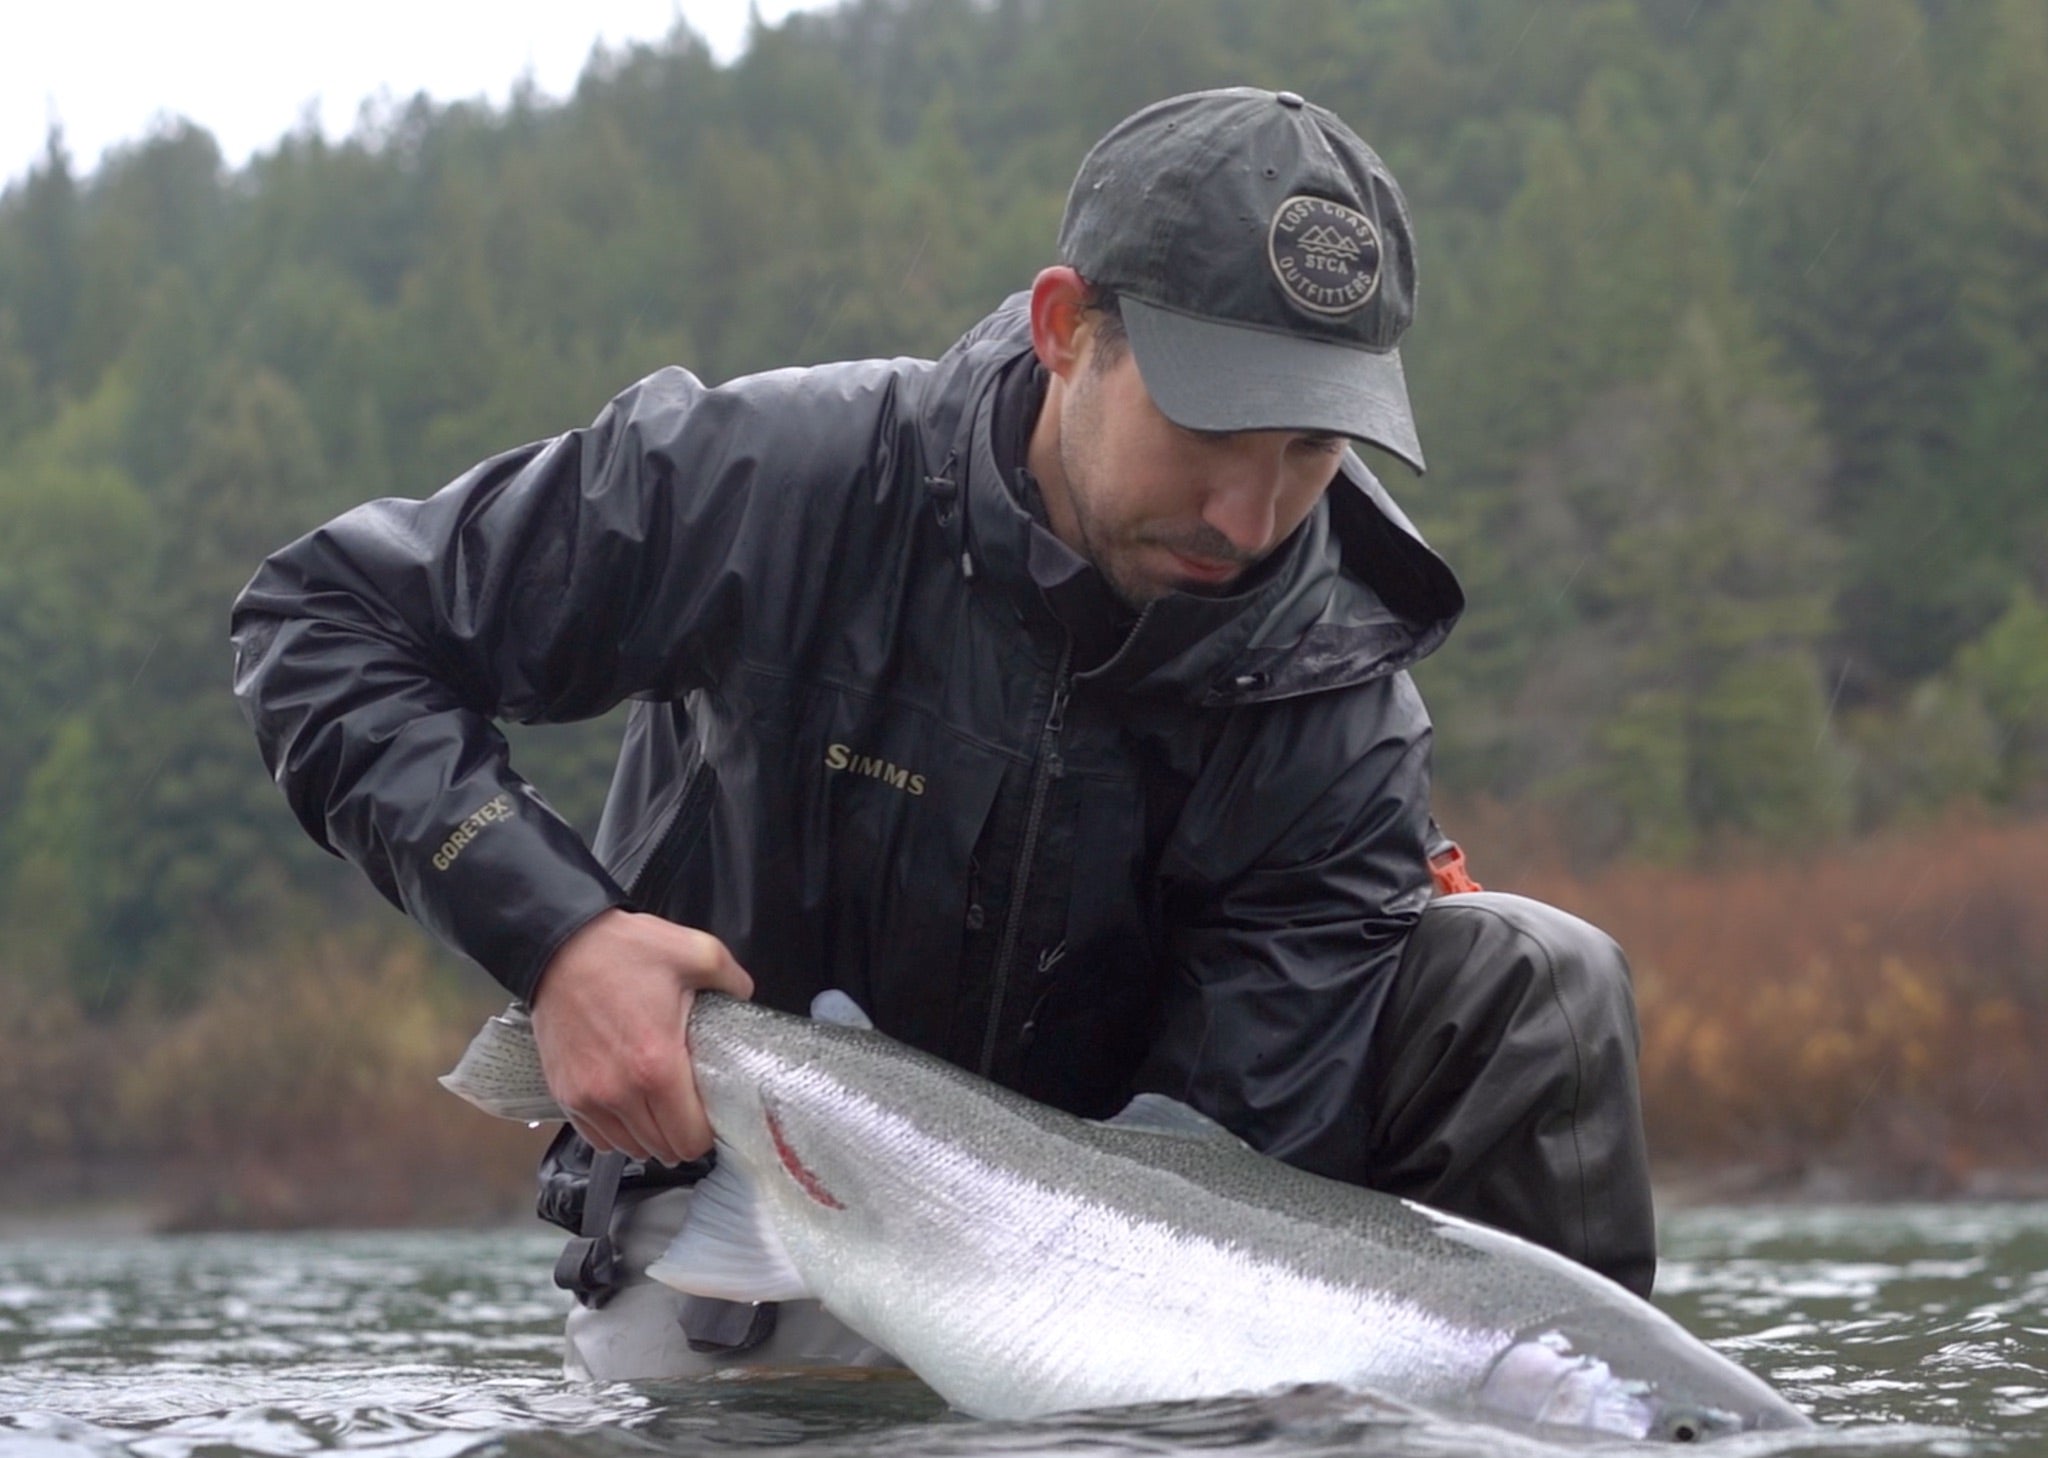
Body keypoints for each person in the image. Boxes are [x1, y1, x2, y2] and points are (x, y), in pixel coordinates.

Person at [232, 87, 1655, 1379]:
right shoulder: (781, 482)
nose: (1250, 513)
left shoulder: (1341, 706)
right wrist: (554, 936)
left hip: (1126, 1250)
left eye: (1309, 448)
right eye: (1210, 430)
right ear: (1063, 330)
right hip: (764, 1195)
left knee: (1532, 973)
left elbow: (1232, 1158)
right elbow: (324, 620)